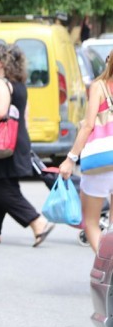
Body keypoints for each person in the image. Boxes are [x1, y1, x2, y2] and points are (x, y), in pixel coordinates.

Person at [0, 44, 54, 246]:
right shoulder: (20, 85)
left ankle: (37, 222)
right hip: (16, 140)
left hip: (0, 144)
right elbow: (24, 116)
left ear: (3, 62)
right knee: (0, 185)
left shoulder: (1, 83)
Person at [59, 53, 113, 253]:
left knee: (90, 221)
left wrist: (70, 159)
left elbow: (89, 125)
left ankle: (107, 268)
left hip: (100, 161)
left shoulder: (99, 87)